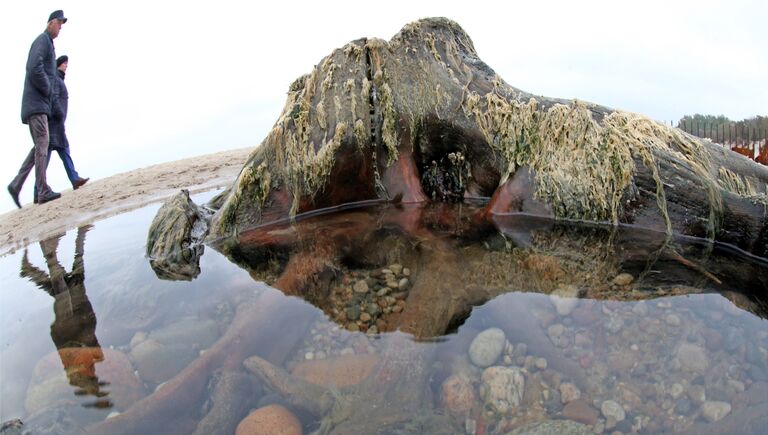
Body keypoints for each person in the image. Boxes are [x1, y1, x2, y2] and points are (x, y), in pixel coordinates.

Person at [7, 10, 67, 208]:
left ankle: (17, 185)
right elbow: (34, 67)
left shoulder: (47, 43)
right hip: (36, 104)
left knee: (39, 145)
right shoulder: (42, 40)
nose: (60, 27)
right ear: (50, 23)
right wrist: (48, 89)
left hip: (37, 104)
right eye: (59, 22)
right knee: (43, 143)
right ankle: (42, 191)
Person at [48, 55, 89, 191]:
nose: (67, 66)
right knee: (45, 156)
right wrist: (59, 114)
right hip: (54, 124)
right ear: (59, 65)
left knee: (63, 150)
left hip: (57, 124)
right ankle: (38, 189)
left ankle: (74, 178)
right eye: (65, 63)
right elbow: (53, 98)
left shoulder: (58, 79)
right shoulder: (55, 79)